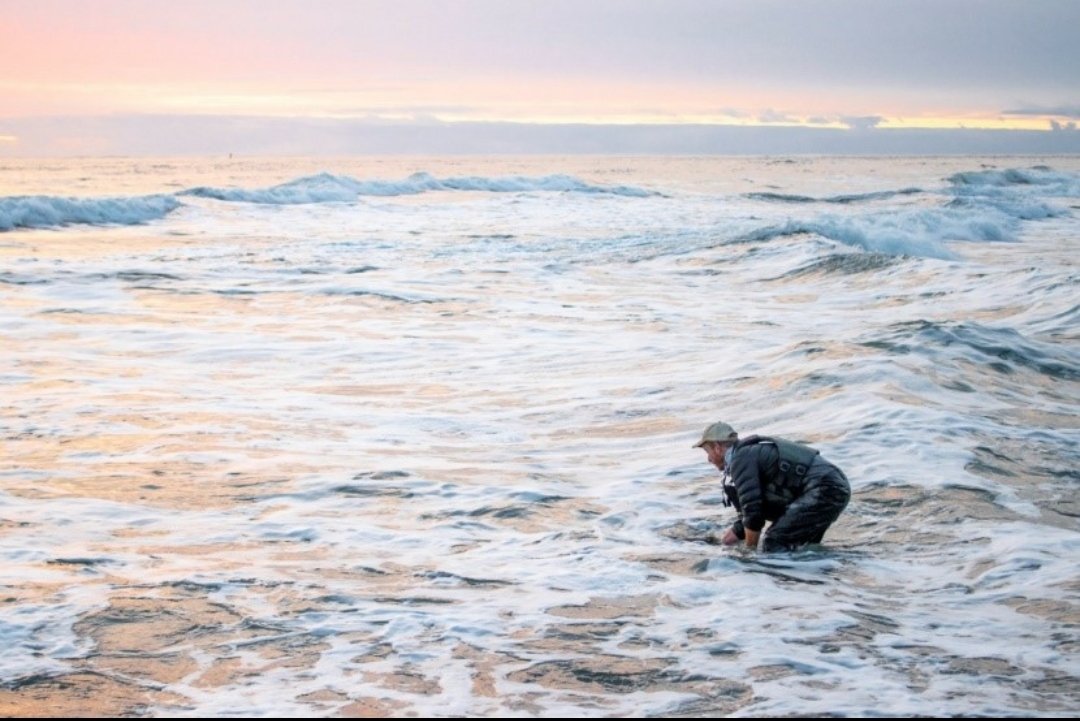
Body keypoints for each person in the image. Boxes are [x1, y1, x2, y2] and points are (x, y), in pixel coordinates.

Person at [693, 421, 850, 551]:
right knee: (801, 547)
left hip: (825, 487)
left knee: (773, 543)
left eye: (707, 452)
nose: (708, 459)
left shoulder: (741, 459)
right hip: (832, 486)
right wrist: (731, 537)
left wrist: (749, 555)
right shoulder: (745, 455)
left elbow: (753, 513)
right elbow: (749, 511)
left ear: (718, 447)